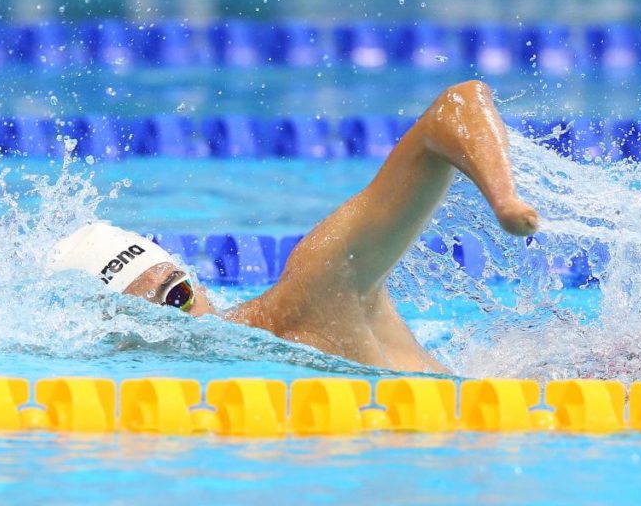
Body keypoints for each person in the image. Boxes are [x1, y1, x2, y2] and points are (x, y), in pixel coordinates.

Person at [49, 80, 538, 374]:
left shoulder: (310, 299)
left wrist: (505, 200)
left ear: (195, 281)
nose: (182, 326)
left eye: (177, 296)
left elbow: (456, 106)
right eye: (152, 323)